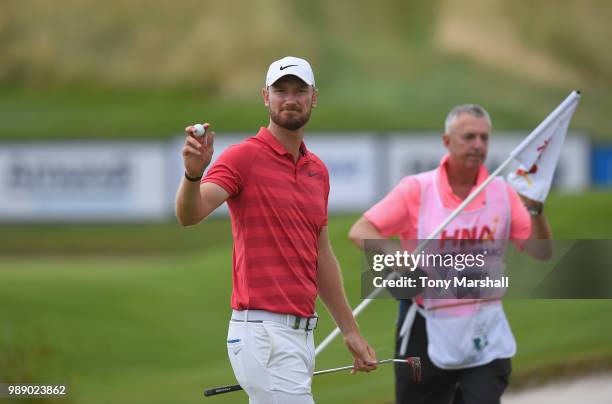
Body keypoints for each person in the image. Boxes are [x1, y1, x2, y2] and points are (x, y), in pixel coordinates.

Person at [175, 56, 377, 404]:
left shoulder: (318, 171)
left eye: (299, 91)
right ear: (265, 97)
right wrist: (193, 175)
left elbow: (321, 255)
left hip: (301, 336)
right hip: (261, 333)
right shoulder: (242, 158)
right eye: (280, 90)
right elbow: (190, 214)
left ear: (313, 97)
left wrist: (350, 331)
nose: (290, 98)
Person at [348, 104, 552, 404]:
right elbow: (361, 230)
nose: (478, 145)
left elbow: (541, 250)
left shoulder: (502, 192)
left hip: (485, 329)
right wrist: (393, 254)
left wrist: (534, 208)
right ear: (447, 141)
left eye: (484, 138)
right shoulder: (417, 189)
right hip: (423, 325)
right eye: (469, 137)